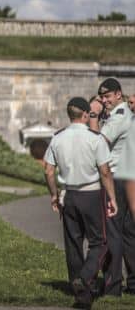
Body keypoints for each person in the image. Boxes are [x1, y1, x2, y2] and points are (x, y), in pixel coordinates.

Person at [45, 97, 118, 307]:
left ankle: (82, 294)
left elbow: (49, 171)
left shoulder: (57, 137)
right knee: (100, 242)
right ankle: (85, 277)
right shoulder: (95, 138)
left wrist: (53, 194)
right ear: (86, 114)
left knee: (73, 244)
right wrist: (112, 198)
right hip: (91, 195)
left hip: (68, 196)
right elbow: (104, 171)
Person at [89, 78, 135, 296]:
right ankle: (133, 283)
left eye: (107, 96)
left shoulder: (118, 118)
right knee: (128, 232)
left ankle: (112, 286)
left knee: (112, 232)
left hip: (115, 178)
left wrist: (93, 115)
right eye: (102, 97)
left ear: (119, 94)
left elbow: (97, 143)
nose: (104, 100)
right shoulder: (126, 113)